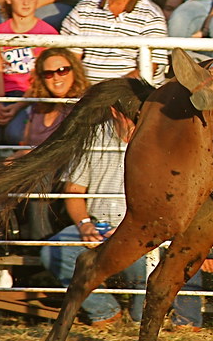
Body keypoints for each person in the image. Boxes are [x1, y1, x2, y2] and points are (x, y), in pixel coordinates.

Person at [39, 113, 144, 327]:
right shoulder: (94, 136)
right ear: (115, 112)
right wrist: (84, 224)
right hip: (98, 224)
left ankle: (139, 319)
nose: (136, 118)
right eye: (131, 114)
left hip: (138, 230)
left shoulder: (156, 136)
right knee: (54, 251)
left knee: (144, 262)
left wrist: (131, 229)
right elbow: (74, 189)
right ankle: (105, 311)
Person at [16, 48, 90, 240]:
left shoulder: (81, 106)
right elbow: (24, 144)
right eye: (48, 74)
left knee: (39, 177)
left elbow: (74, 148)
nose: (56, 77)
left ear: (74, 71)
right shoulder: (38, 107)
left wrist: (31, 158)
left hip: (64, 171)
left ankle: (41, 244)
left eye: (63, 70)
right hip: (32, 167)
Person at [0, 0, 58, 154]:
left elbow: (44, 78)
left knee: (16, 133)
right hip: (3, 95)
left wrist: (18, 106)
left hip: (32, 95)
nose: (26, 2)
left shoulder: (48, 34)